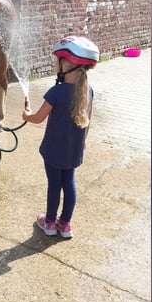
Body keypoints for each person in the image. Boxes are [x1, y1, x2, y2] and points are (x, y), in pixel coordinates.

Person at [22, 35, 99, 239]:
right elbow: (88, 121)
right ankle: (65, 225)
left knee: (54, 185)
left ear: (66, 64)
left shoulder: (56, 92)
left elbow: (38, 118)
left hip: (54, 150)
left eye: (57, 60)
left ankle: (49, 222)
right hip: (74, 149)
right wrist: (82, 144)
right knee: (69, 183)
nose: (56, 64)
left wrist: (26, 115)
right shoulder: (88, 91)